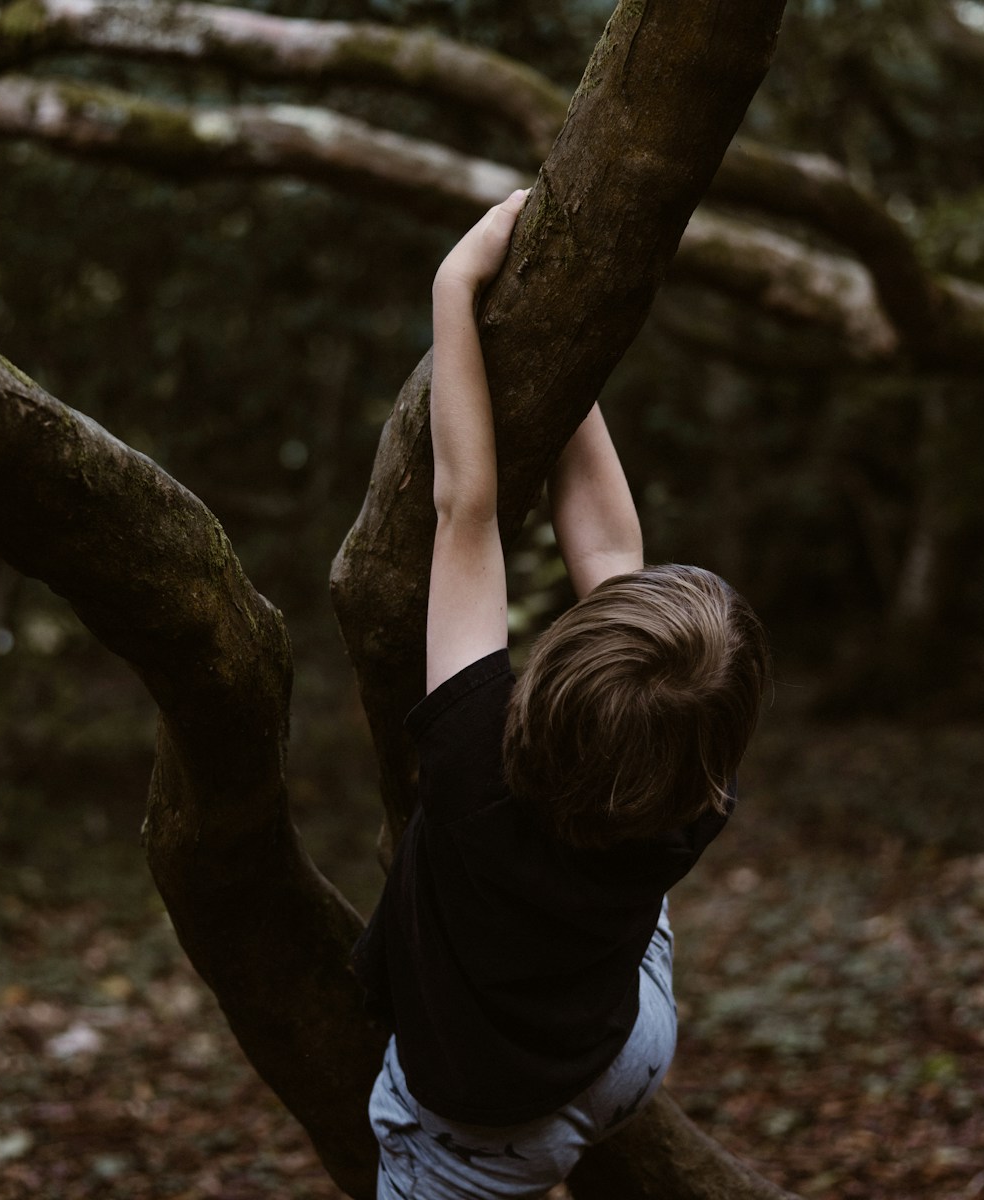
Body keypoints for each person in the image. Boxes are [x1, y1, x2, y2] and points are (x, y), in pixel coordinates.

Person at [351, 189, 770, 1199]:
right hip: (624, 1046)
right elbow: (600, 547)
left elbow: (466, 512)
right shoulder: (691, 792)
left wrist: (459, 287)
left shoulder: (472, 766)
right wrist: (552, 354)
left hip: (483, 1123)